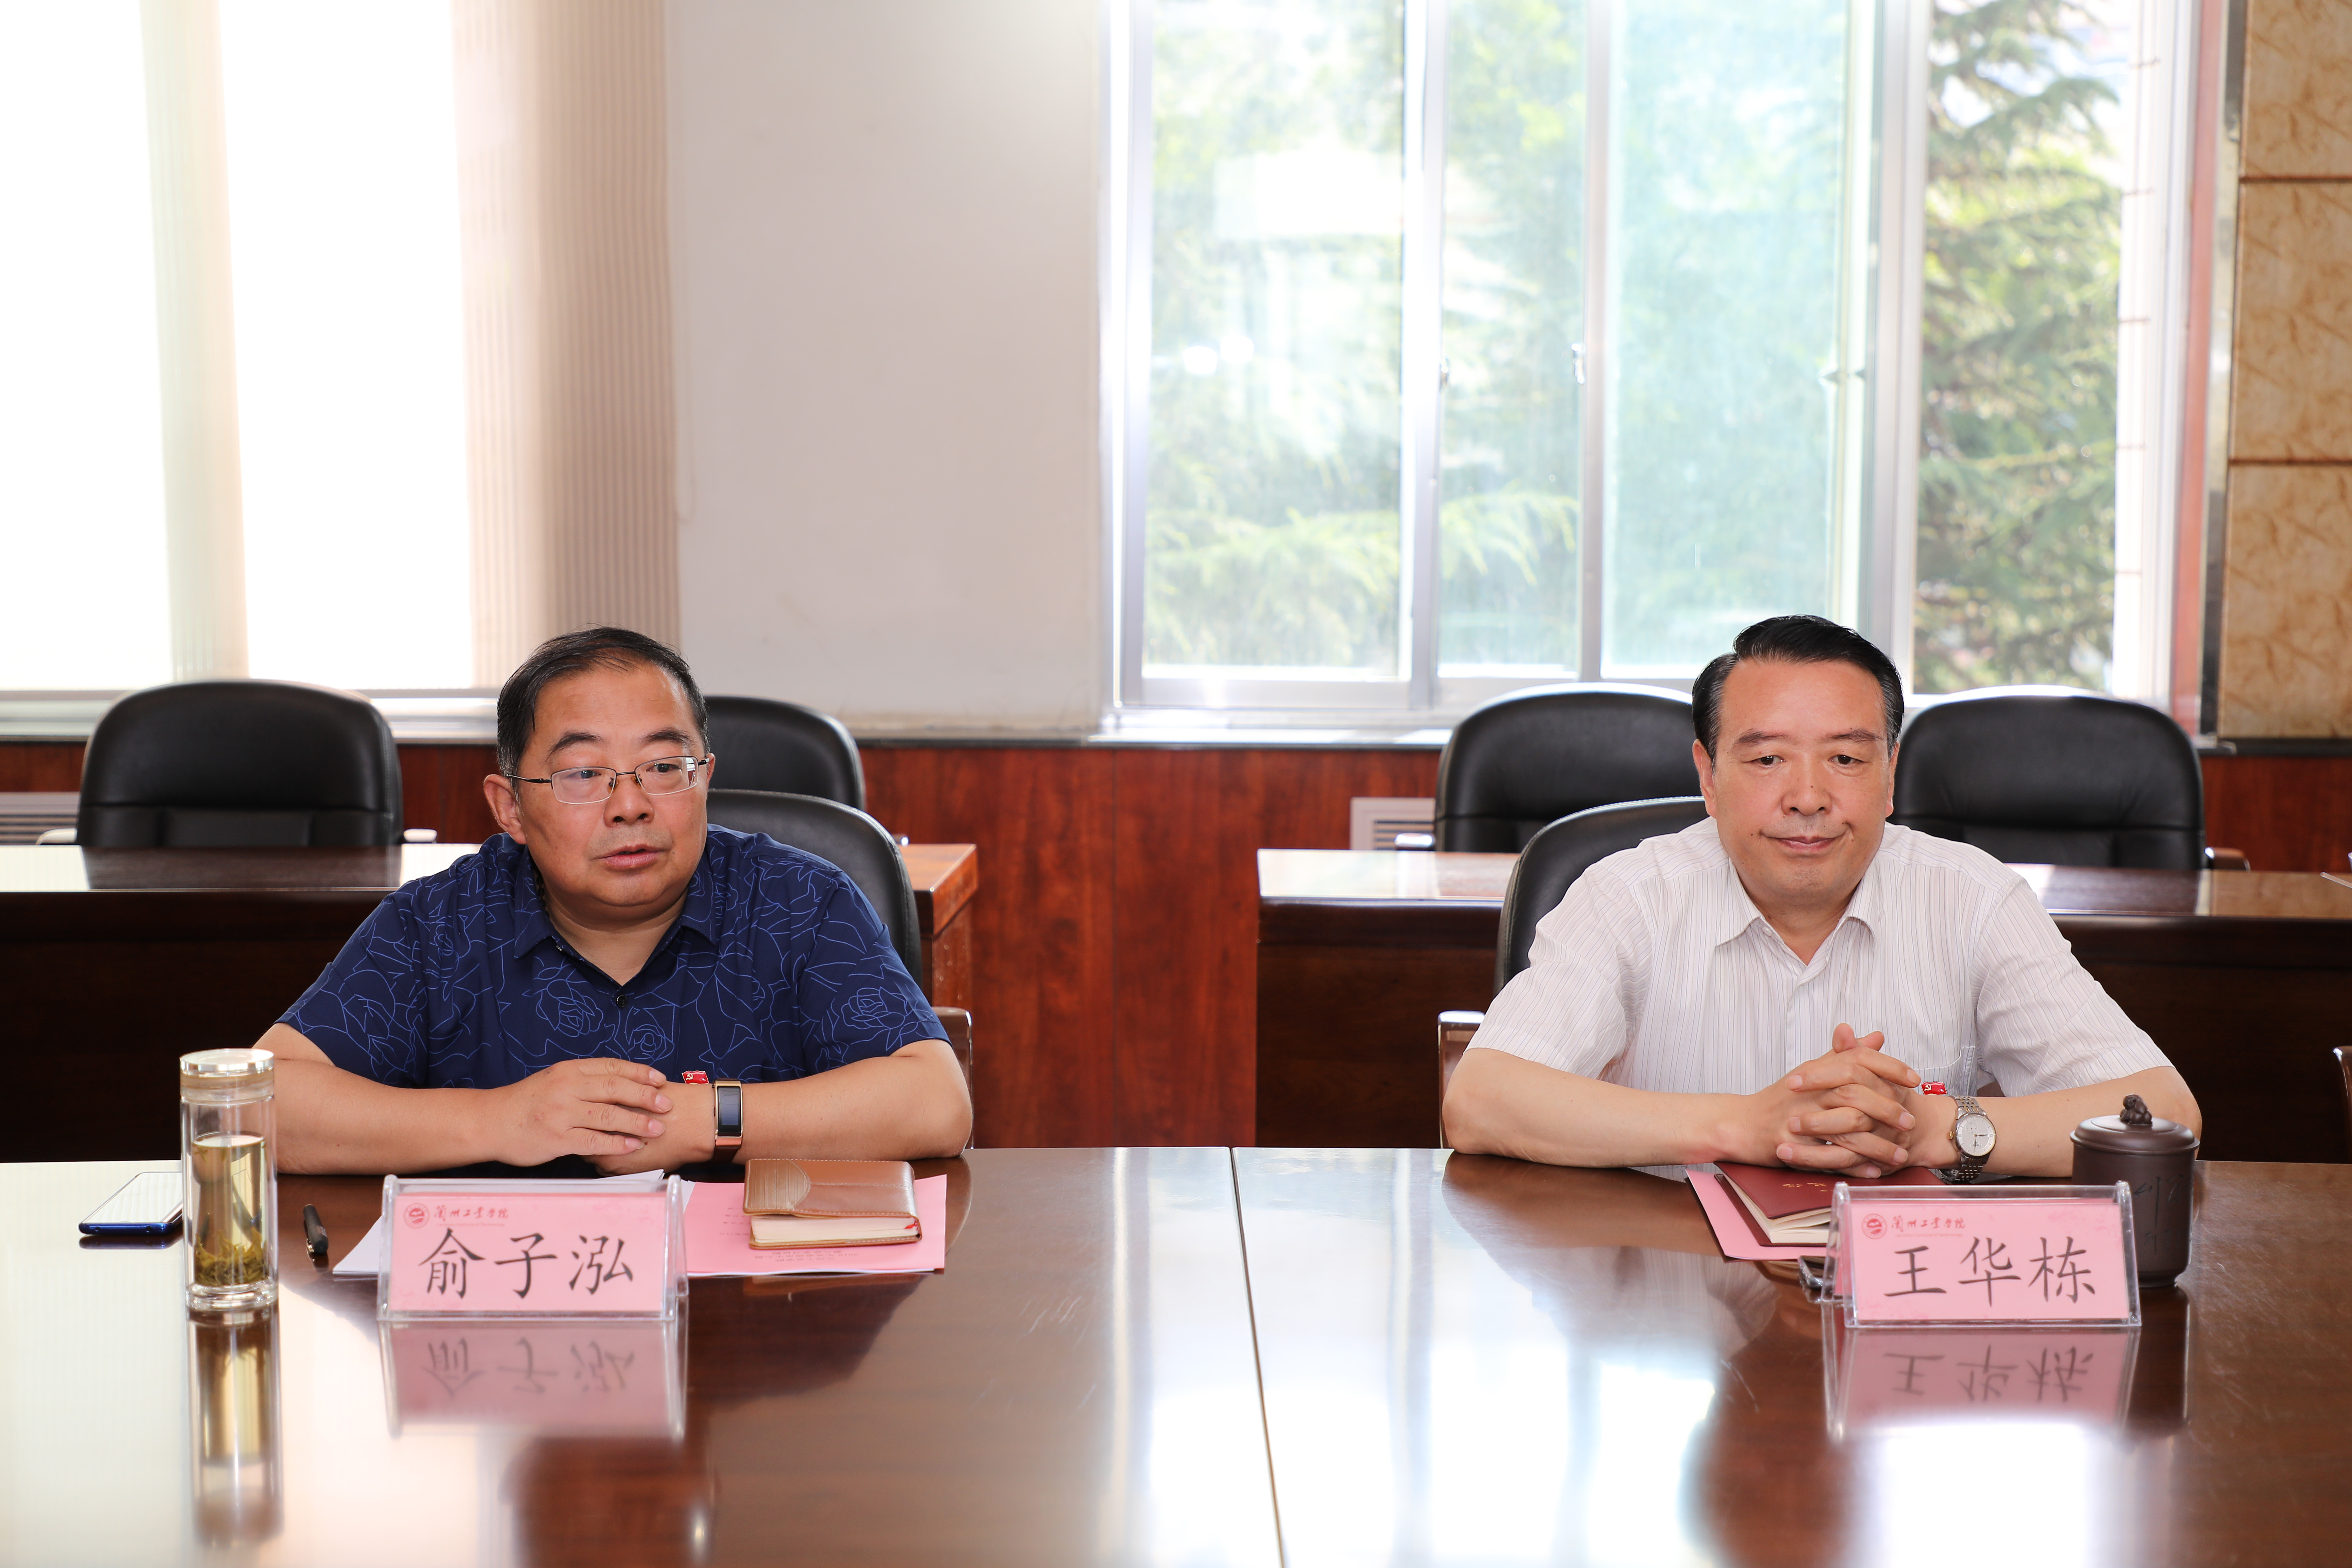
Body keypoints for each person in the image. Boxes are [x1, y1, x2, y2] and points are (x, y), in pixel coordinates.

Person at [1442, 614, 2200, 1178]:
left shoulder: (1973, 899)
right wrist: (1746, 1125)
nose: (1807, 797)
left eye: (1845, 758)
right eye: (1767, 759)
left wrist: (1935, 1129)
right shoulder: (1627, 897)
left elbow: (2165, 1113)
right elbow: (1479, 1098)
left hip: (1905, 1301)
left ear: (1891, 774)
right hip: (1670, 1290)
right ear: (1709, 776)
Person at [262, 627, 970, 1174]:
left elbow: (936, 1103)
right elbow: (258, 1107)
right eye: (583, 774)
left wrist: (701, 1120)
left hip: (753, 1301)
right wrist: (501, 1121)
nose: (630, 804)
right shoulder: (439, 925)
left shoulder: (800, 903)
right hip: (514, 1299)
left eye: (663, 766)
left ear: (704, 778)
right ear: (510, 807)